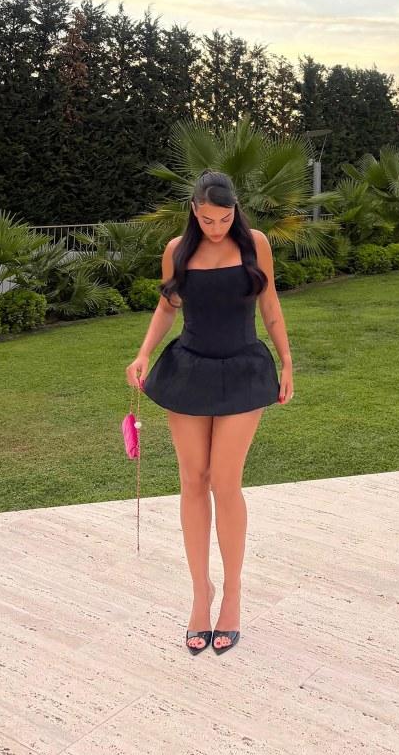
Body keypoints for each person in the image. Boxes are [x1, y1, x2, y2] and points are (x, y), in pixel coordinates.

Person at [125, 170, 294, 656]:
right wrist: (143, 353)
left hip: (243, 369)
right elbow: (167, 307)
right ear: (194, 212)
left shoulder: (255, 244)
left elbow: (270, 305)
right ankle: (202, 594)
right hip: (190, 370)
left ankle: (233, 595)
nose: (216, 227)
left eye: (223, 218)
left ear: (235, 210)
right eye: (207, 219)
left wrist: (287, 360)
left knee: (225, 480)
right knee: (192, 480)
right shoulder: (177, 250)